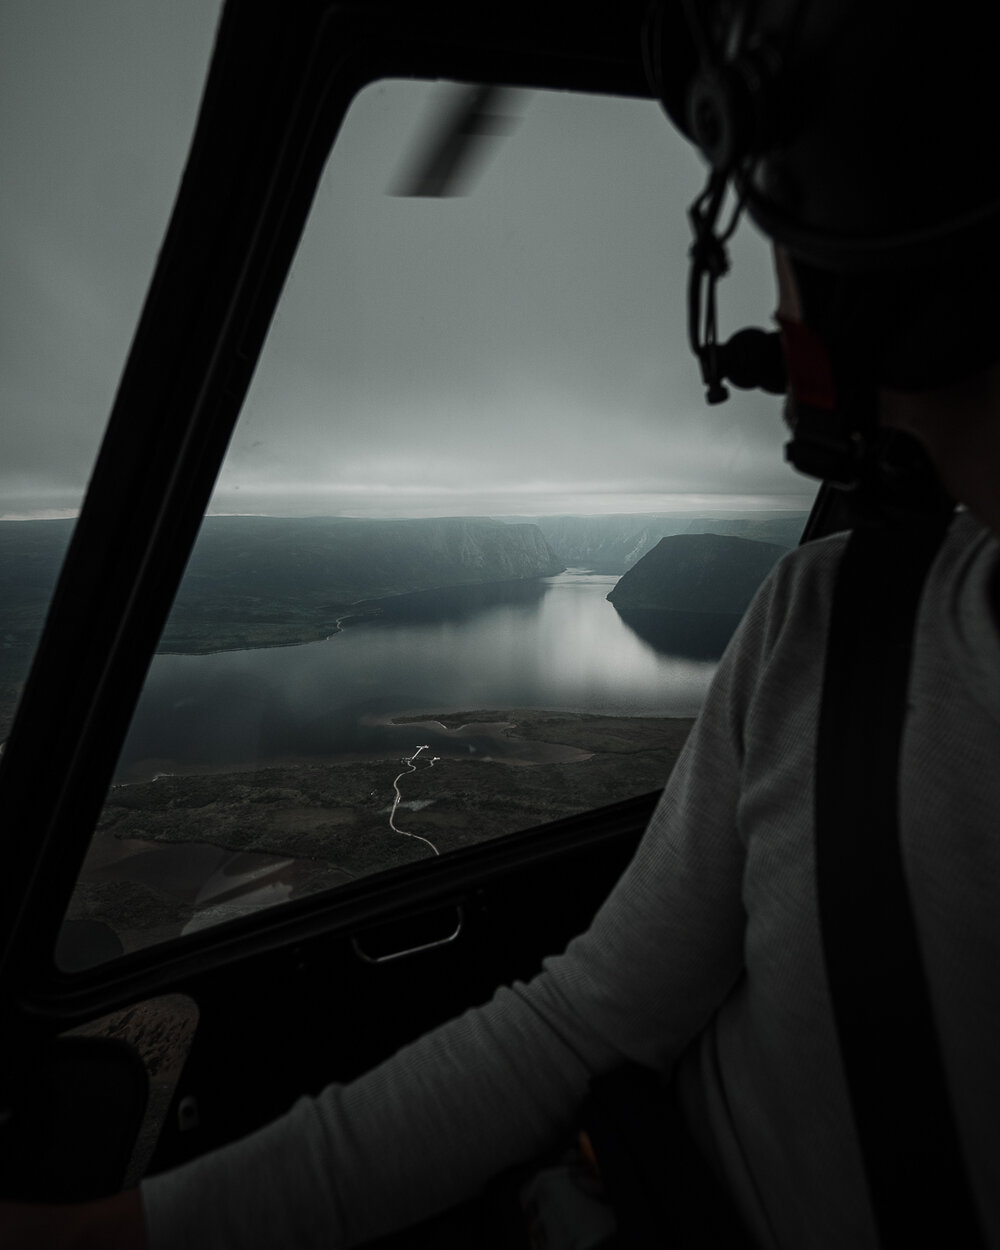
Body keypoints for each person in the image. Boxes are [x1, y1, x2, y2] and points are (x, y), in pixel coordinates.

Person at [2, 1, 998, 1245]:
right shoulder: (829, 615)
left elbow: (573, 1023)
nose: (768, 282)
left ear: (861, 231)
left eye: (768, 215)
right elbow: (585, 1020)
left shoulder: (840, 625)